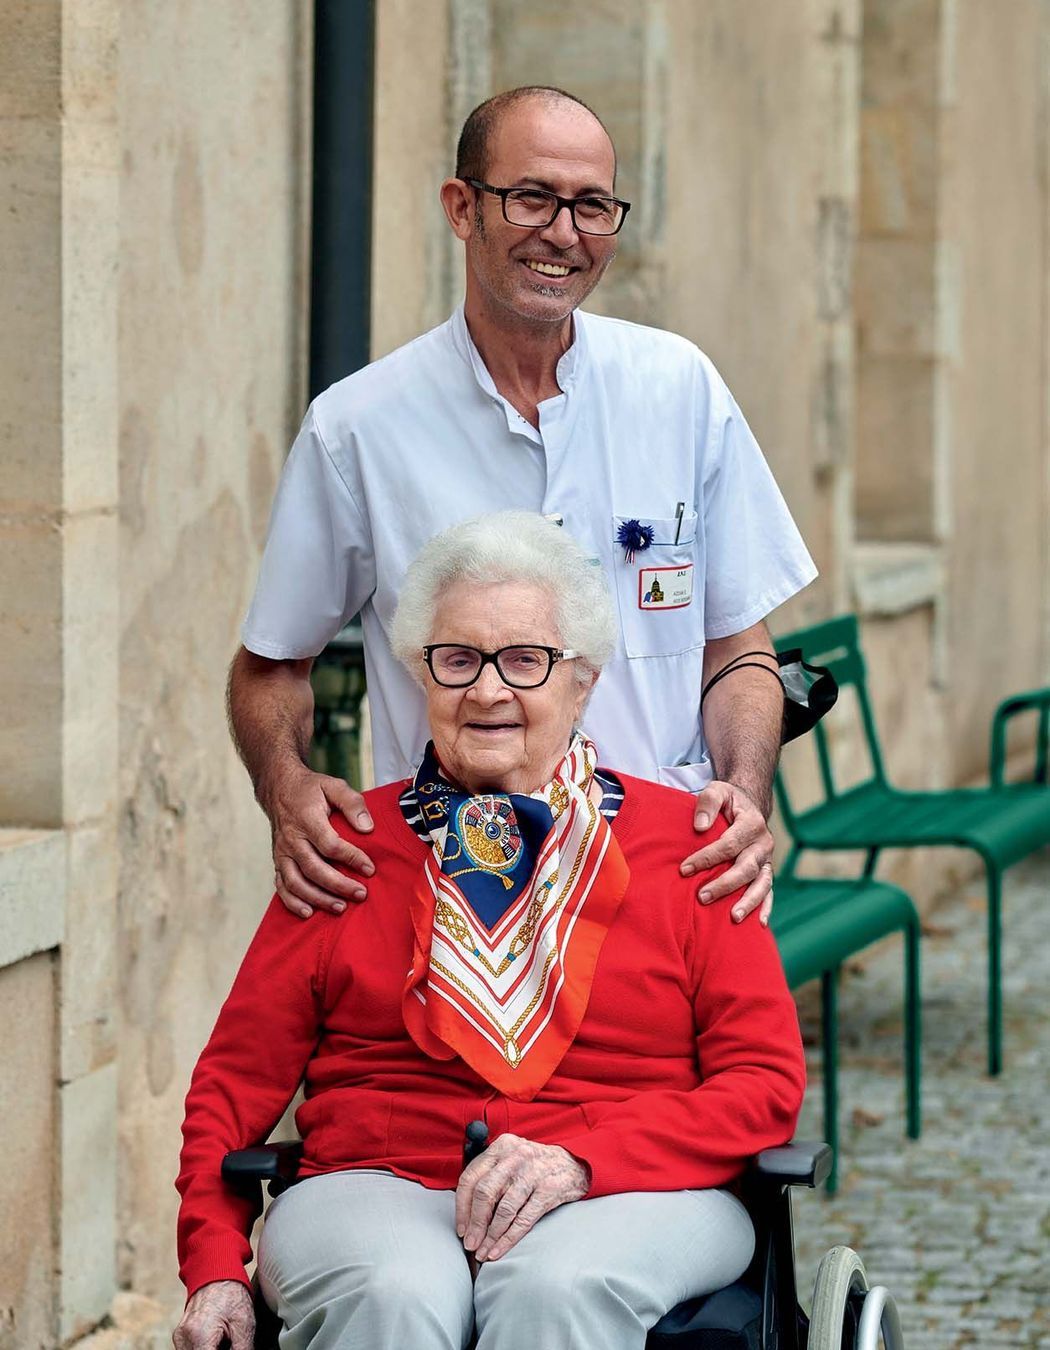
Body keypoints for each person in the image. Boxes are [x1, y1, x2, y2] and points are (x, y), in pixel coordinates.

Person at [175, 514, 805, 1350]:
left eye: (525, 661)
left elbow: (763, 1085)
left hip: (631, 1186)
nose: (487, 691)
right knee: (393, 1296)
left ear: (582, 682)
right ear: (420, 678)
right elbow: (234, 1083)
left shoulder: (690, 848)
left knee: (554, 1290)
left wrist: (586, 1157)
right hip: (377, 1180)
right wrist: (215, 1262)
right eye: (458, 659)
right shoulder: (345, 849)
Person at [228, 84, 817, 928]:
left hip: (670, 882)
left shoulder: (679, 388)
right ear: (462, 207)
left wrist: (747, 791)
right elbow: (270, 664)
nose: (565, 234)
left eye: (592, 206)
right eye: (533, 197)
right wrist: (286, 789)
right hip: (458, 896)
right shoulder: (358, 428)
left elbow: (737, 646)